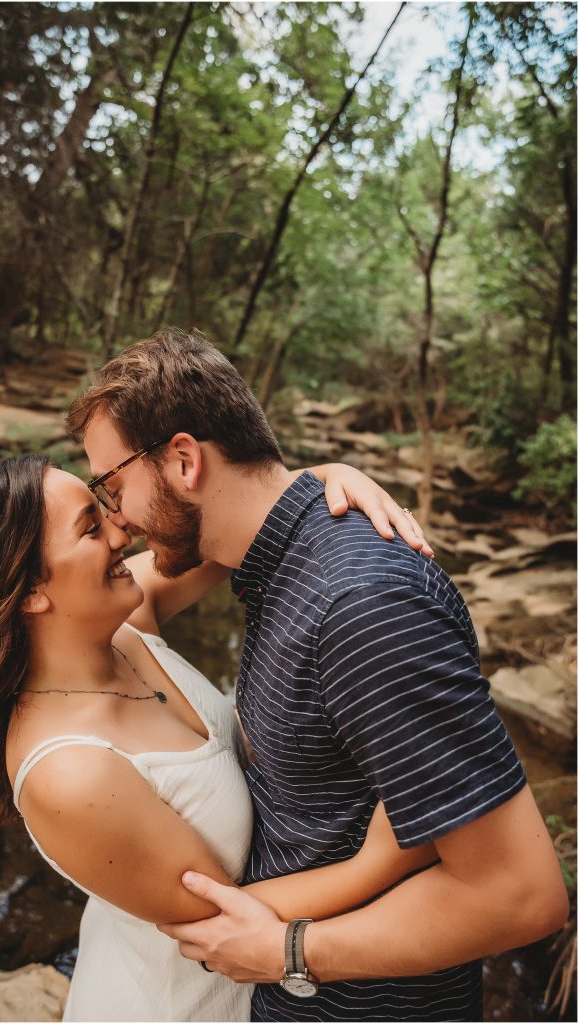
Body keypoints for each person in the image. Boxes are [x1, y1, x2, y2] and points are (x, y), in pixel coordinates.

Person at [67, 328, 569, 1023]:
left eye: (111, 486)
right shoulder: (275, 564)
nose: (114, 519)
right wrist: (320, 470)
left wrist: (292, 951)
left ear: (184, 460)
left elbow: (521, 894)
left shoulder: (362, 606)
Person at [0, 454, 435, 1023]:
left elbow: (242, 528)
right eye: (91, 526)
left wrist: (324, 477)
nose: (122, 531)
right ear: (29, 592)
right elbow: (214, 921)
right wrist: (386, 857)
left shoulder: (125, 623)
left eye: (105, 507)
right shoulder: (72, 773)